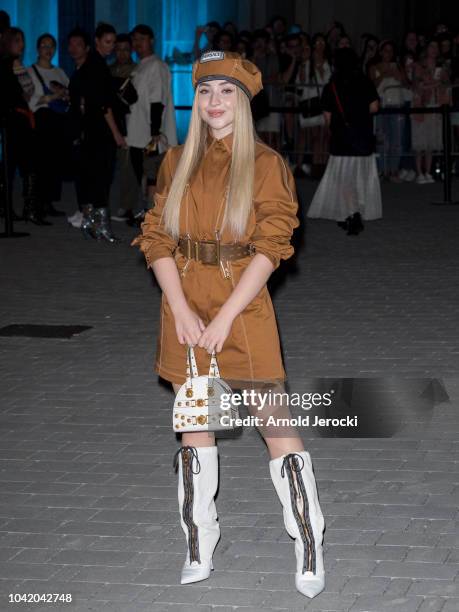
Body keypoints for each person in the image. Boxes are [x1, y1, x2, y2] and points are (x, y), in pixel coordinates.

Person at [131, 51, 325, 599]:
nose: (215, 103)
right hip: (185, 305)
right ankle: (199, 543)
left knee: (277, 428)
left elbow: (272, 246)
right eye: (207, 91)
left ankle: (308, 542)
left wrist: (226, 317)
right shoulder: (175, 161)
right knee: (196, 432)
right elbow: (156, 238)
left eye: (227, 93)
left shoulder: (266, 164)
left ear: (243, 101)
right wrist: (184, 310)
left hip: (243, 309)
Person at [307, 48, 382, 235]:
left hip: (342, 139)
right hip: (362, 137)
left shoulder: (331, 86)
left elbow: (327, 117)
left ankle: (351, 213)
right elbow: (374, 107)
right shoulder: (365, 82)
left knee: (343, 180)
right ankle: (352, 212)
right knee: (360, 177)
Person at [68, 23, 124, 241]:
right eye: (108, 42)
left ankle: (91, 223)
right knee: (102, 176)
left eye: (113, 42)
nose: (111, 46)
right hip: (100, 130)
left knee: (93, 175)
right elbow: (104, 105)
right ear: (97, 41)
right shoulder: (98, 66)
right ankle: (101, 226)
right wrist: (116, 133)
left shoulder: (89, 65)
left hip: (89, 129)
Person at [126, 24, 177, 224]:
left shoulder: (157, 65)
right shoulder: (141, 65)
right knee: (143, 172)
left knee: (153, 173)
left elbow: (158, 100)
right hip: (138, 131)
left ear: (151, 40)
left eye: (142, 38)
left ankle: (153, 214)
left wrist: (155, 130)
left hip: (151, 133)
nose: (138, 43)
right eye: (135, 40)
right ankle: (147, 211)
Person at [0, 27, 50, 225]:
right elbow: (27, 90)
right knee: (26, 165)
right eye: (18, 40)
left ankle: (8, 208)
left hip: (12, 119)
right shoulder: (12, 63)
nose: (21, 44)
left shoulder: (6, 63)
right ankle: (27, 209)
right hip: (18, 118)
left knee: (12, 166)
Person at [28, 33, 69, 218]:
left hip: (58, 121)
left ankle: (49, 202)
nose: (48, 49)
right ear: (37, 49)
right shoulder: (31, 71)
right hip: (42, 121)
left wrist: (62, 95)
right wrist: (55, 96)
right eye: (44, 45)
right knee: (41, 163)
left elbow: (69, 94)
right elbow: (33, 101)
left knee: (55, 163)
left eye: (51, 46)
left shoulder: (59, 72)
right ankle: (38, 203)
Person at [411, 39, 450, 183]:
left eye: (436, 47)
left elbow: (446, 83)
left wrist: (436, 84)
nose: (434, 49)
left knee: (431, 141)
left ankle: (428, 172)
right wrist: (434, 83)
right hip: (421, 104)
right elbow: (417, 84)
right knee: (420, 140)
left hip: (436, 103)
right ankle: (419, 172)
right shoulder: (419, 65)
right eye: (431, 46)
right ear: (426, 49)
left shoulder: (442, 67)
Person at [109, 33, 139, 223]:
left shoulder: (138, 70)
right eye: (118, 49)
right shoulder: (108, 70)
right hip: (112, 121)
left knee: (128, 166)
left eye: (125, 49)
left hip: (132, 122)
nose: (122, 53)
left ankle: (127, 206)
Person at [369, 40, 405, 182]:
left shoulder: (398, 66)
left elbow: (405, 82)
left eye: (391, 51)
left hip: (397, 105)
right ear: (381, 52)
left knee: (396, 139)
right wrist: (384, 74)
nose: (388, 54)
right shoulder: (374, 67)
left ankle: (394, 170)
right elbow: (372, 84)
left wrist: (397, 73)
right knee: (381, 140)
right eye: (385, 50)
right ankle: (382, 170)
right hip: (381, 107)